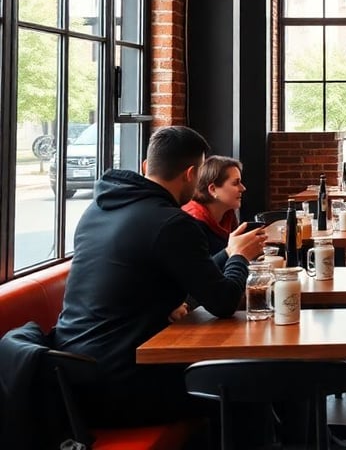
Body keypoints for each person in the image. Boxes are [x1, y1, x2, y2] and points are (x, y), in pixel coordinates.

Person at [52, 126, 268, 427]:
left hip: (75, 377)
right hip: (122, 385)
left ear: (145, 167)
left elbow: (193, 272)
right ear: (192, 174)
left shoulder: (97, 209)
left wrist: (229, 253)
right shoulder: (172, 223)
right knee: (248, 381)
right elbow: (224, 301)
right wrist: (240, 257)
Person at [182, 155, 249, 256]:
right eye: (236, 183)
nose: (243, 188)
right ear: (213, 189)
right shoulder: (191, 224)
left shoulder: (228, 215)